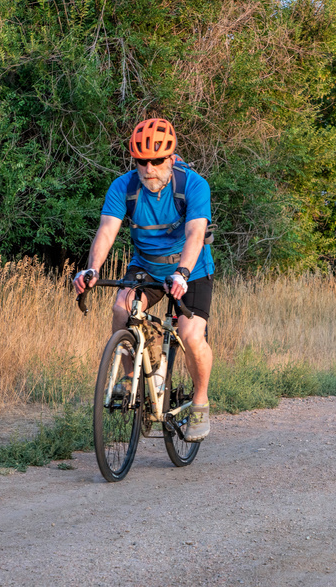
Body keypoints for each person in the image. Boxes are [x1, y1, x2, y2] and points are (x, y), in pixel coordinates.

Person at [73, 118, 214, 441]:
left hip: (191, 268)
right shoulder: (123, 186)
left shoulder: (193, 185)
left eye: (156, 161)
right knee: (122, 307)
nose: (149, 169)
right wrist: (92, 269)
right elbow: (107, 230)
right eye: (141, 161)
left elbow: (195, 234)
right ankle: (130, 379)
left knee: (190, 335)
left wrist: (183, 272)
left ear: (171, 158)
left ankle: (201, 403)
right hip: (147, 266)